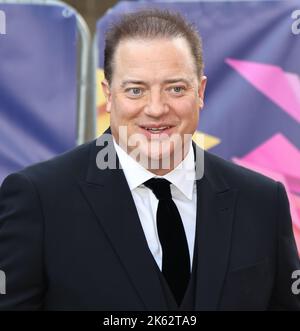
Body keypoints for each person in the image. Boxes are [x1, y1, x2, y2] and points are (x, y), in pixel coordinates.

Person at [0, 9, 299, 311]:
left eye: (175, 88)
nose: (156, 108)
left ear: (201, 92)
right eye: (135, 90)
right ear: (109, 94)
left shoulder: (261, 202)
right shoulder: (40, 199)